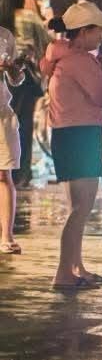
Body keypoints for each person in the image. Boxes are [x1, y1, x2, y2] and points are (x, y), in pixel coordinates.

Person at [41, 1, 102, 289]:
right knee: (81, 207)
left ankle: (76, 266)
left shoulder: (61, 57)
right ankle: (63, 273)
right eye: (98, 31)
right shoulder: (81, 61)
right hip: (82, 133)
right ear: (84, 31)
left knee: (78, 206)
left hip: (66, 134)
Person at [2, 0, 48, 187]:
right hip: (24, 76)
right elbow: (45, 42)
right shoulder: (29, 16)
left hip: (4, 77)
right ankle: (21, 173)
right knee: (23, 124)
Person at [0, 21, 25, 255]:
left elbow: (16, 80)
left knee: (3, 173)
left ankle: (6, 236)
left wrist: (13, 70)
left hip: (1, 113)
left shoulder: (5, 36)